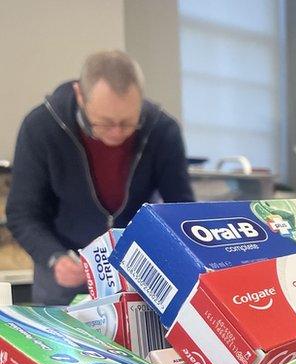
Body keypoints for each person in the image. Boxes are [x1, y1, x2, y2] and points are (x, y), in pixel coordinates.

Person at [8, 50, 194, 305]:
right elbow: (22, 213)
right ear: (80, 96)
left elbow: (181, 210)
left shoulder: (162, 130)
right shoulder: (41, 127)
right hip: (63, 271)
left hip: (133, 272)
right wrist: (54, 257)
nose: (117, 133)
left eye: (129, 122)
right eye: (104, 123)